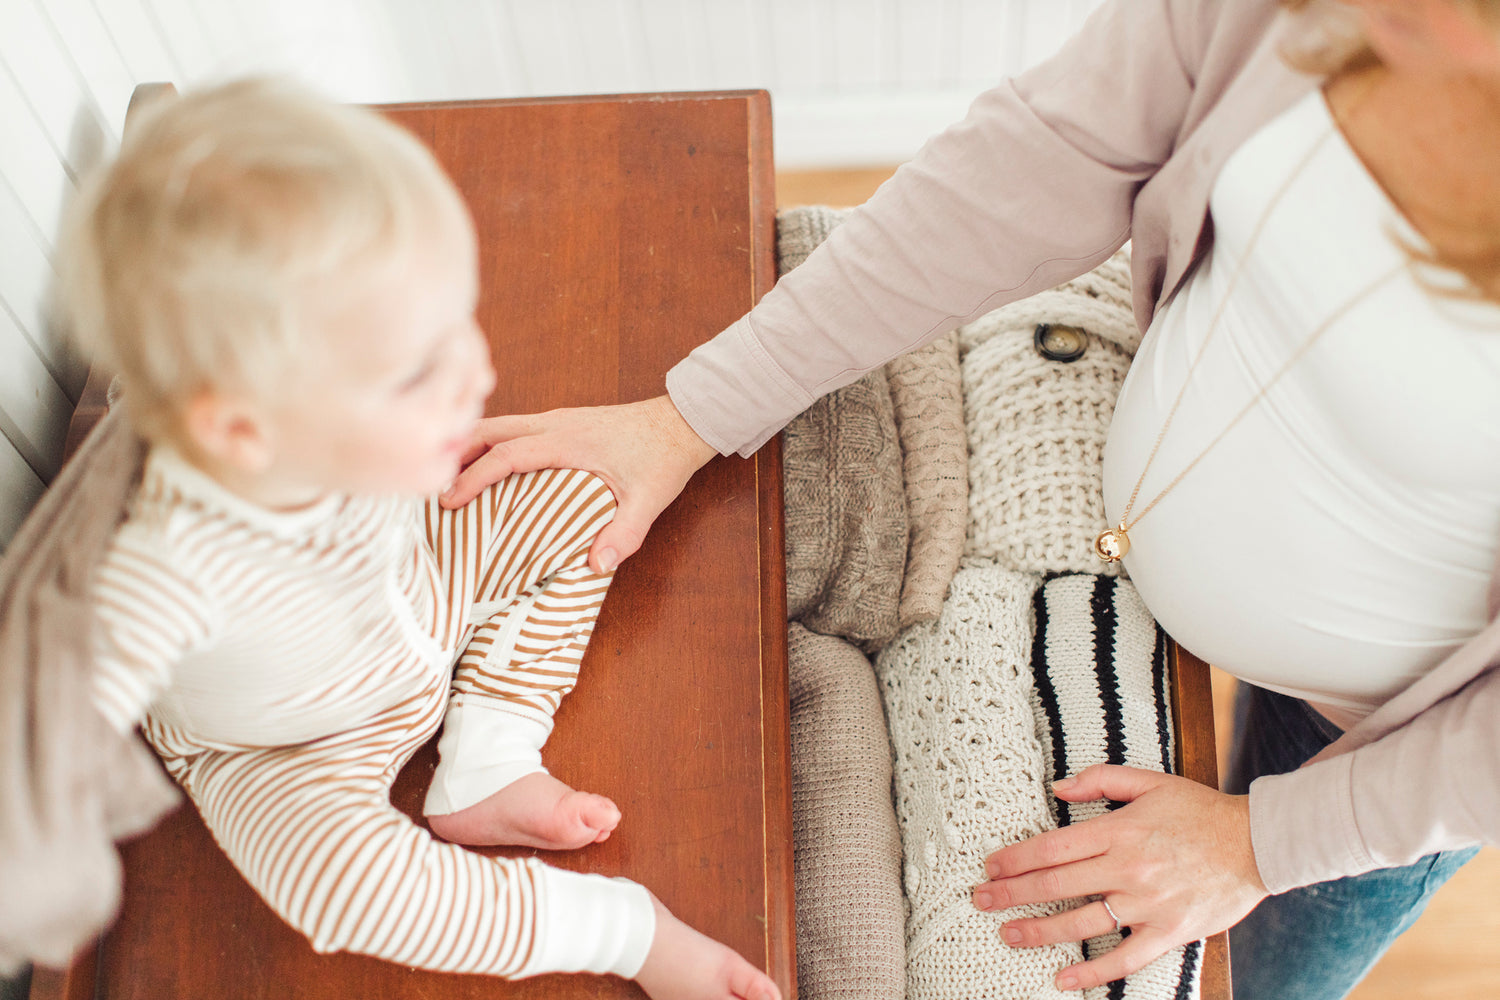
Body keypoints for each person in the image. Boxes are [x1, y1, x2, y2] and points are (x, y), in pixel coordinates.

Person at [437, 1, 1500, 998]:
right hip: (1170, 547)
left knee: (1255, 976)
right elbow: (1039, 161)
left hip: (1401, 731)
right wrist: (694, 413)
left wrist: (1259, 844)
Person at [56, 78, 780, 1000]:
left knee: (597, 493)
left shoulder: (308, 406)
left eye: (456, 325)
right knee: (342, 887)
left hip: (423, 583)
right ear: (240, 432)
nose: (477, 371)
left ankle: (489, 758)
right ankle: (628, 934)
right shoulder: (171, 562)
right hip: (285, 745)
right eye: (420, 369)